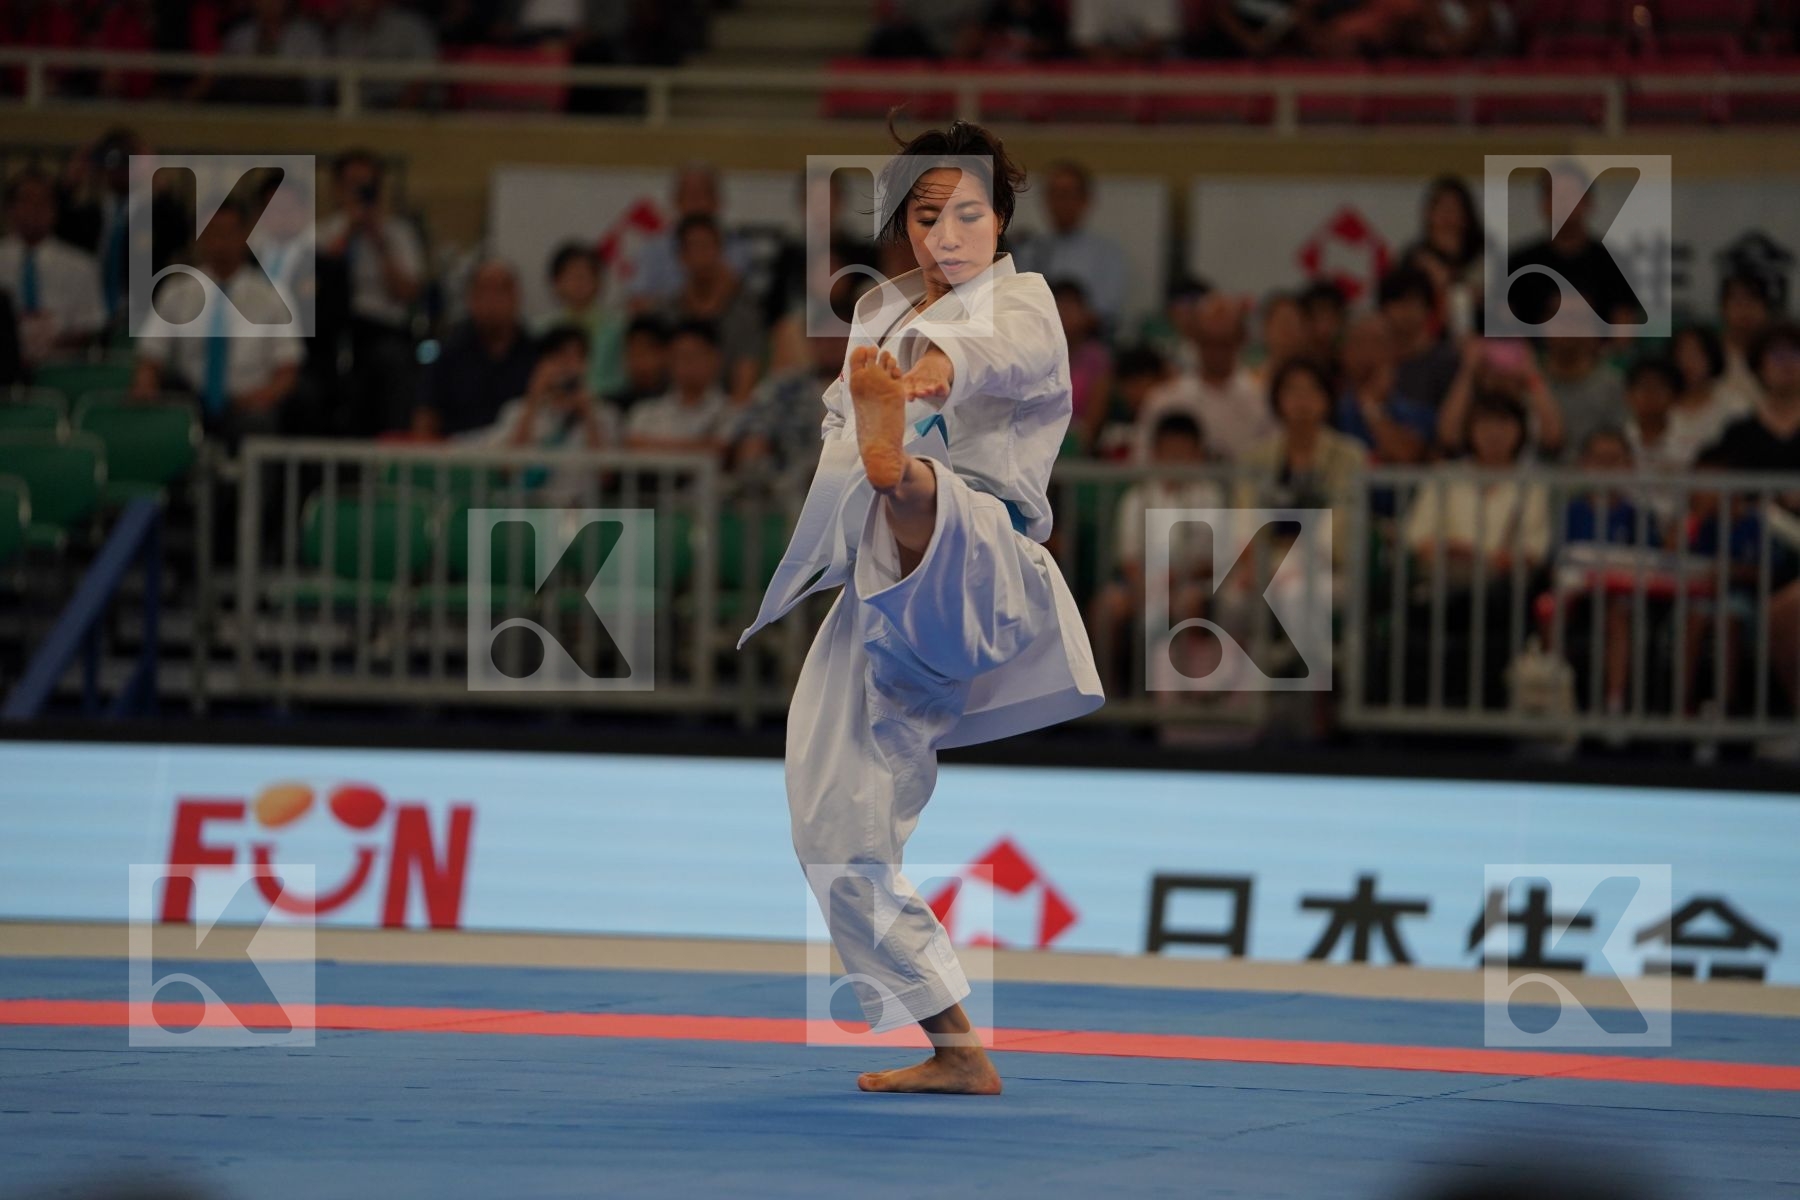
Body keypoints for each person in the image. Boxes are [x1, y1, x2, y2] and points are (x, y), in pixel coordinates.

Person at [735, 119, 1103, 1095]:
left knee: (922, 482)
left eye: (967, 213)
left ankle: (909, 481)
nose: (946, 233)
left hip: (981, 557)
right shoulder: (877, 319)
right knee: (831, 830)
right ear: (903, 224)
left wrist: (923, 380)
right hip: (876, 596)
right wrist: (865, 419)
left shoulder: (1024, 304)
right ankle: (954, 1042)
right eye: (927, 213)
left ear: (1000, 221)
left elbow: (985, 358)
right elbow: (838, 440)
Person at [131, 202, 301, 447]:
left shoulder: (273, 294)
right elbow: (150, 356)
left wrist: (258, 398)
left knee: (260, 424)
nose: (220, 242)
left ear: (245, 236)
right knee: (164, 413)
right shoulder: (176, 291)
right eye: (211, 233)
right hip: (190, 400)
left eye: (228, 232)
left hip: (250, 403)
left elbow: (288, 370)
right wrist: (145, 383)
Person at [1088, 409, 1221, 696]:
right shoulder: (1137, 497)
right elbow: (1128, 559)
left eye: (1184, 449)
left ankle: (1179, 699)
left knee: (1188, 604)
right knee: (1105, 608)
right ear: (1156, 452)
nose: (1177, 456)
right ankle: (1104, 695)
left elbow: (1212, 559)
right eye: (1170, 449)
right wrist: (1147, 586)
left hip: (1190, 584)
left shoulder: (1209, 495)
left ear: (1198, 453)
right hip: (1140, 583)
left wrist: (1175, 580)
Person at [316, 149, 423, 434]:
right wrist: (349, 231)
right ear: (337, 188)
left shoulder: (399, 233)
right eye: (353, 184)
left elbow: (408, 292)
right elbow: (316, 287)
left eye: (368, 184)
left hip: (382, 330)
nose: (361, 191)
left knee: (393, 363)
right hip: (330, 331)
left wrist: (379, 241)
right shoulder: (321, 234)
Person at [1504, 160, 1646, 331]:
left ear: (1588, 201)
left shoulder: (1614, 264)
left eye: (1572, 194)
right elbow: (1506, 329)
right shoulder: (1519, 264)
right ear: (1544, 203)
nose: (1564, 203)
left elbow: (1623, 333)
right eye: (1556, 194)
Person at [1137, 293, 1274, 462]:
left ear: (1240, 340)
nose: (1216, 352)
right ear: (1195, 339)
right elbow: (1143, 460)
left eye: (1225, 343)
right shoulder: (1165, 400)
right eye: (1209, 342)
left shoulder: (1263, 399)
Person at [415, 260, 535, 437]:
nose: (491, 301)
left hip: (518, 458)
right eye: (483, 291)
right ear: (470, 298)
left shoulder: (535, 353)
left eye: (500, 291)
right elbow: (425, 416)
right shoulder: (448, 353)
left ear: (516, 297)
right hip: (458, 459)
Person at [0, 168, 105, 367]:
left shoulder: (81, 265)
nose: (34, 209)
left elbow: (90, 326)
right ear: (9, 209)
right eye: (26, 201)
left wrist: (48, 346)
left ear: (54, 210)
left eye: (42, 202)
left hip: (61, 365)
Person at [654, 214, 764, 403]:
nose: (700, 256)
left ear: (720, 251)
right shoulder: (666, 313)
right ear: (681, 256)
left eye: (706, 247)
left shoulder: (744, 312)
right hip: (672, 412)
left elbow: (746, 374)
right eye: (693, 247)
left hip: (727, 410)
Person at [1012, 160, 1127, 330]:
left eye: (1066, 194)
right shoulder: (1028, 249)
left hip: (1086, 343)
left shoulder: (1107, 253)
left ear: (1085, 200)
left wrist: (1070, 323)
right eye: (1053, 194)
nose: (1059, 203)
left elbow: (1107, 309)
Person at [625, 162, 753, 308]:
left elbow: (726, 292)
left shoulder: (738, 247)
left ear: (718, 201)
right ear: (676, 201)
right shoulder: (653, 249)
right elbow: (637, 301)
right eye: (689, 195)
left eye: (703, 194)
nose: (696, 203)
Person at [731, 331, 850, 478]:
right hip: (790, 485)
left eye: (837, 339)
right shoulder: (784, 387)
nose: (829, 346)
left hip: (853, 480)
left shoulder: (870, 390)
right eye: (821, 339)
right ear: (811, 343)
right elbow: (753, 433)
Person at [623, 318, 733, 456]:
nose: (687, 364)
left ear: (715, 358)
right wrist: (701, 446)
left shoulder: (731, 412)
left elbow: (721, 450)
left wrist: (655, 446)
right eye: (680, 356)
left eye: (694, 355)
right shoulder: (646, 412)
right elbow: (633, 445)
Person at [1335, 312, 1433, 465]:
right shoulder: (1329, 409)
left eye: (1377, 343)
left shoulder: (1415, 410)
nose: (1368, 352)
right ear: (1344, 352)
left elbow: (1406, 456)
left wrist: (1370, 405)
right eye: (1360, 342)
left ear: (1393, 352)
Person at [540, 241, 627, 401]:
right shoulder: (541, 329)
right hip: (552, 404)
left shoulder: (617, 327)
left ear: (599, 282)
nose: (579, 282)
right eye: (572, 275)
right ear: (556, 282)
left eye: (586, 275)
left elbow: (621, 378)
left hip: (605, 404)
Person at [1402, 176, 1485, 339]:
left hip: (1481, 340)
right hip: (1427, 341)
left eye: (1454, 209)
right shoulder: (1416, 257)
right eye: (1441, 208)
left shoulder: (1484, 255)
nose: (1447, 216)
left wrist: (1446, 281)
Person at [1378, 264, 1460, 411]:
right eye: (1399, 302)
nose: (1406, 312)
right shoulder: (1372, 357)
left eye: (1414, 304)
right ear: (1384, 308)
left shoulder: (1446, 360)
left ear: (1428, 309)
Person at [331, 0, 440, 110]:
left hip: (413, 110)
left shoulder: (410, 26)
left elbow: (424, 75)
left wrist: (398, 114)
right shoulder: (345, 33)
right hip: (364, 110)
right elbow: (343, 81)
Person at [1668, 324, 1751, 464]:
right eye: (1682, 354)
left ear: (1712, 357)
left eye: (1696, 354)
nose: (1688, 362)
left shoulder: (1736, 407)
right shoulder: (1659, 404)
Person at [1051, 278, 1112, 453]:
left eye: (1071, 307)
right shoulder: (1032, 354)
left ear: (1085, 314)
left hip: (1077, 444)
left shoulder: (1098, 359)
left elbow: (1092, 423)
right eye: (1059, 306)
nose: (1065, 314)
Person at [1717, 270, 1775, 413]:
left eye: (1753, 301)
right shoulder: (1709, 353)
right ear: (1723, 309)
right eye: (1737, 301)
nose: (1745, 309)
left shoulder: (1782, 355)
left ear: (1766, 309)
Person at [606, 314, 670, 417]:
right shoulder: (614, 405)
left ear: (664, 355)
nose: (637, 362)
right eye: (632, 354)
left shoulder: (677, 400)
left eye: (643, 353)